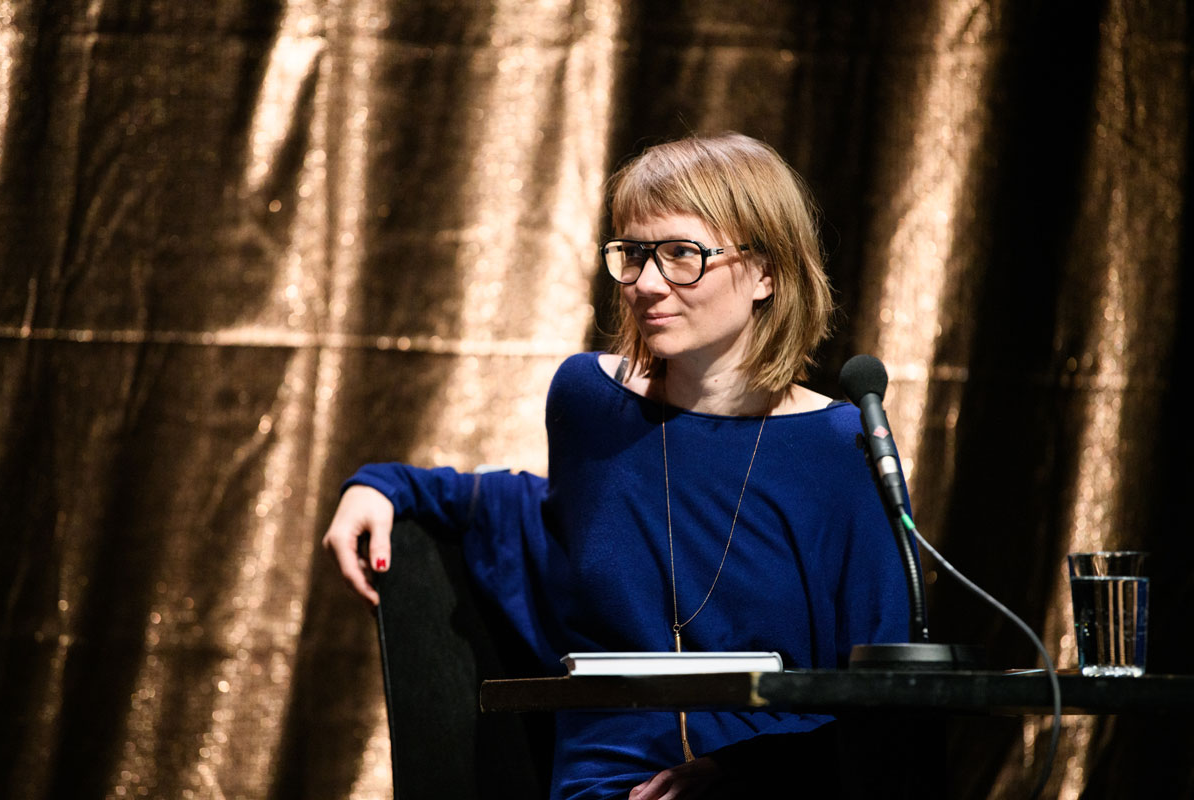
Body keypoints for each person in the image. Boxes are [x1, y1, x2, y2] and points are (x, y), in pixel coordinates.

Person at [322, 132, 911, 799]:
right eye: (632, 254)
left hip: (770, 786)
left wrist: (740, 775)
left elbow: (884, 699)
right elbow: (533, 513)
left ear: (768, 272)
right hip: (603, 787)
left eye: (682, 255)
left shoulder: (843, 447)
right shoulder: (589, 403)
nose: (648, 283)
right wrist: (382, 486)